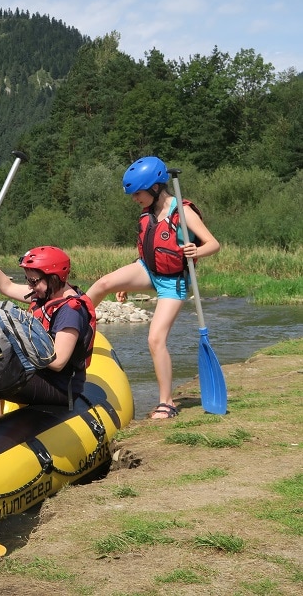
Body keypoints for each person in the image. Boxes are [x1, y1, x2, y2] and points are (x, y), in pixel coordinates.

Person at [86, 156, 220, 419]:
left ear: (156, 187)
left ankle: (166, 403)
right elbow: (148, 252)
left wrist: (198, 250)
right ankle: (71, 326)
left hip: (173, 282)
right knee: (103, 283)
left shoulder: (183, 212)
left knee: (155, 339)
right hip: (148, 270)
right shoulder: (148, 213)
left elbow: (213, 244)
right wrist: (127, 282)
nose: (135, 198)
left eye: (138, 193)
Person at [0, 236, 96, 407]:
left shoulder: (70, 312)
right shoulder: (46, 293)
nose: (29, 286)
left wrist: (19, 340)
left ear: (53, 278)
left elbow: (59, 362)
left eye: (33, 281)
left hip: (59, 388)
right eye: (27, 280)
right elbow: (6, 287)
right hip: (40, 375)